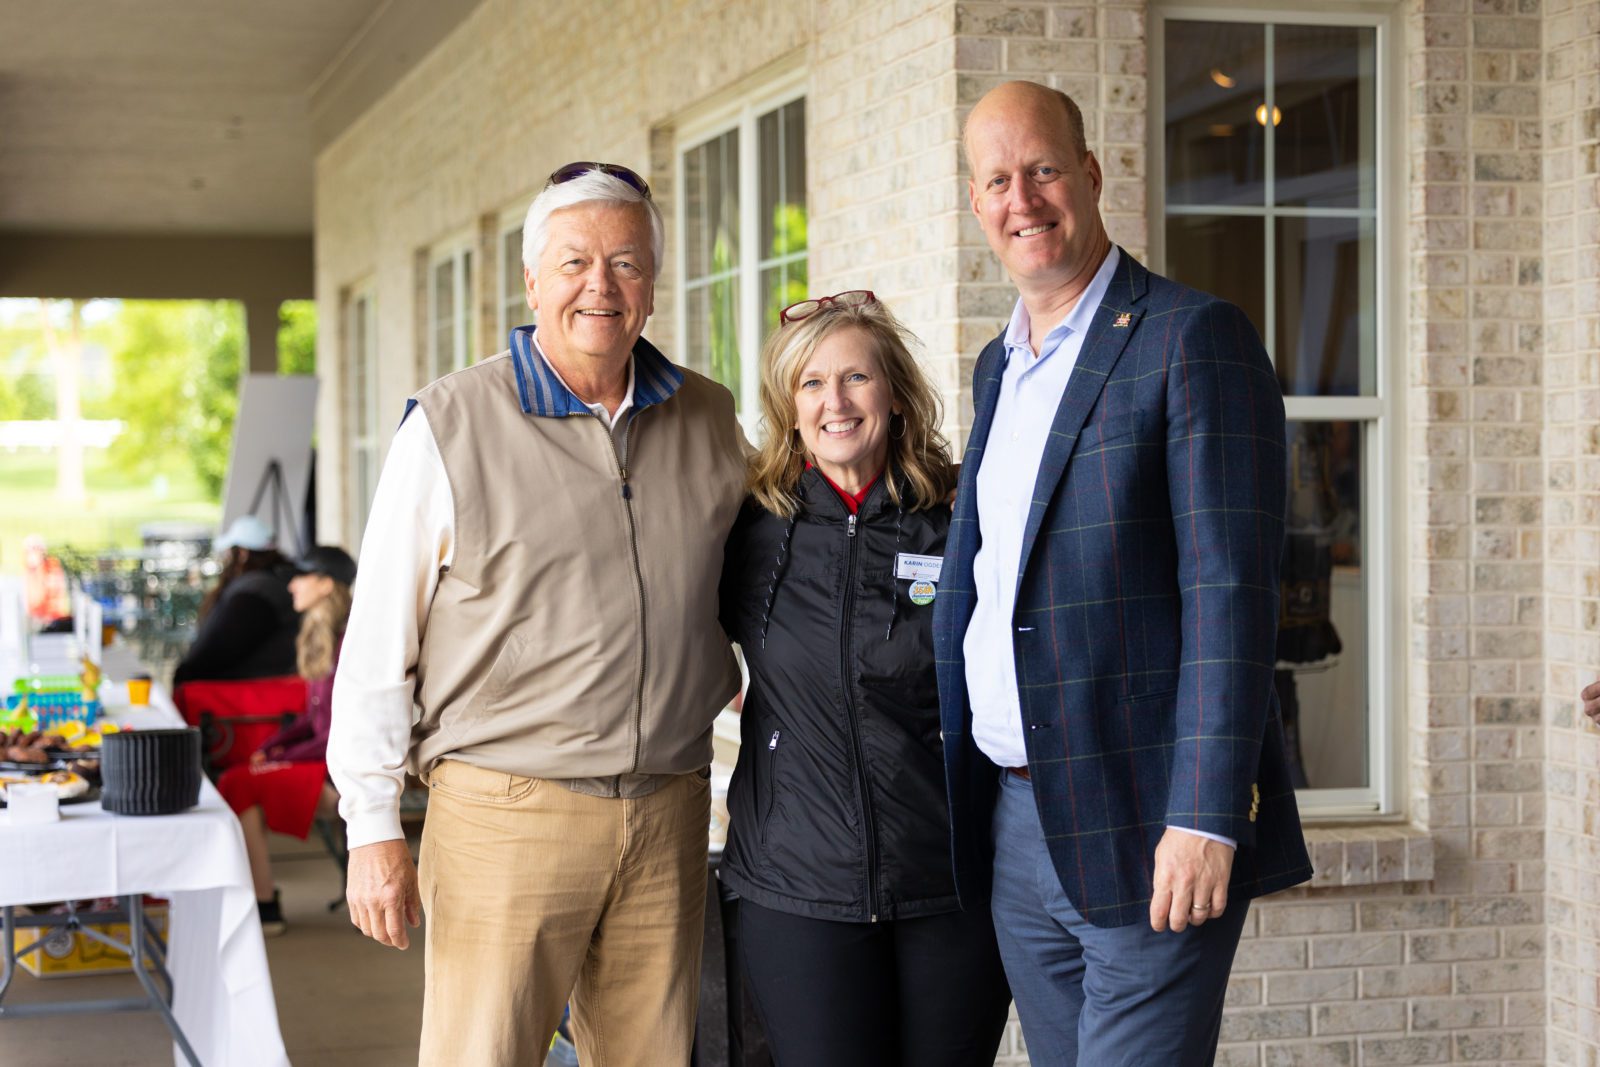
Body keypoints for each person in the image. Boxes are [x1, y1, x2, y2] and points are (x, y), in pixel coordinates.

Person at [327, 161, 747, 1066]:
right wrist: (371, 826)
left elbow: (753, 582)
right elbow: (375, 645)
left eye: (627, 263)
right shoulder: (451, 424)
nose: (601, 285)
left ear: (652, 282)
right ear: (532, 280)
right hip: (504, 812)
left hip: (669, 808)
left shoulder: (710, 420)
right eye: (574, 262)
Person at [933, 80, 1314, 1065]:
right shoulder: (996, 367)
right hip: (1017, 819)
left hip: (1148, 816)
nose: (1024, 199)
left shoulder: (1191, 338)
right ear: (976, 206)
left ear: (1091, 174)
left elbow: (1228, 594)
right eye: (998, 180)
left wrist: (1204, 811)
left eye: (1044, 169)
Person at [719, 293, 1011, 1067]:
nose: (835, 401)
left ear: (896, 394)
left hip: (948, 882)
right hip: (797, 887)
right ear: (789, 407)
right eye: (811, 383)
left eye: (855, 377)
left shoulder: (961, 519)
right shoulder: (749, 527)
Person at [216, 545, 356, 936]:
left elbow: (332, 737)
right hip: (322, 762)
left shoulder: (349, 645)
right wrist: (274, 747)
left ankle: (265, 903)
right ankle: (263, 901)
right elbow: (312, 721)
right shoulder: (323, 636)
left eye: (301, 576)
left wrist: (285, 754)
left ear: (326, 585)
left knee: (237, 782)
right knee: (239, 780)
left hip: (338, 774)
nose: (292, 585)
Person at [173, 515, 299, 687]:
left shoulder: (255, 593)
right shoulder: (277, 580)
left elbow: (221, 649)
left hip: (239, 696)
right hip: (260, 690)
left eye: (227, 552)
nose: (225, 559)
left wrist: (184, 674)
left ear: (242, 554)